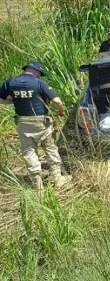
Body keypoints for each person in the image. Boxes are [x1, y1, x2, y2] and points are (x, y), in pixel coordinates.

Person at [0, 61, 71, 190]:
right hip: (41, 123)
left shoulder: (10, 83)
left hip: (23, 123)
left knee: (29, 152)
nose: (39, 76)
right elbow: (57, 101)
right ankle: (57, 178)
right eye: (39, 73)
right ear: (36, 71)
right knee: (50, 148)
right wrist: (61, 112)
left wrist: (14, 100)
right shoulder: (39, 83)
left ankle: (37, 184)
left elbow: (1, 99)